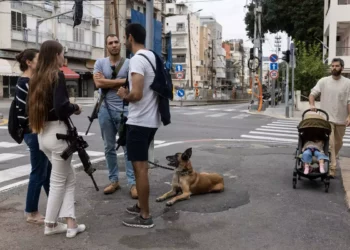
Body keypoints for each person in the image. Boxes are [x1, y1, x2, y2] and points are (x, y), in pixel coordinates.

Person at [28, 40, 85, 238]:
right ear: (55, 56)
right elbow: (61, 108)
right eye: (62, 53)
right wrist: (75, 108)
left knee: (69, 178)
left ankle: (71, 223)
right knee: (59, 182)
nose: (64, 57)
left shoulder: (36, 77)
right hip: (59, 135)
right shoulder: (56, 75)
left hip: (43, 135)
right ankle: (50, 224)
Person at [117, 23, 160, 229]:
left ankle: (145, 215)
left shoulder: (136, 60)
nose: (125, 41)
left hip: (139, 121)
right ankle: (140, 204)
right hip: (151, 120)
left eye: (125, 38)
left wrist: (125, 95)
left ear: (130, 38)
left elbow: (137, 93)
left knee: (140, 169)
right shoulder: (151, 56)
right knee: (142, 167)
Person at [93, 34, 137, 198]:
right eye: (110, 42)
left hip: (125, 110)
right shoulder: (99, 63)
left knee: (128, 148)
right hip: (104, 109)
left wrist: (109, 81)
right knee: (108, 147)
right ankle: (114, 181)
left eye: (116, 42)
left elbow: (132, 83)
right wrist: (121, 81)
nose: (114, 45)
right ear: (106, 46)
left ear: (121, 44)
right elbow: (98, 83)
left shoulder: (129, 63)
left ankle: (132, 183)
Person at [15, 48, 52, 224]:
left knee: (47, 170)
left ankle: (54, 202)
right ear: (29, 62)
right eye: (38, 59)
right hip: (33, 132)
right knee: (39, 172)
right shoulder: (25, 83)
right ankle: (31, 211)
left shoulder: (31, 81)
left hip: (37, 130)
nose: (41, 62)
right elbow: (22, 114)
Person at [309, 58, 350, 178]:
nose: (334, 68)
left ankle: (330, 157)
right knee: (331, 144)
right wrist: (312, 104)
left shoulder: (347, 83)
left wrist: (349, 116)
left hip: (341, 120)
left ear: (342, 68)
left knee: (338, 143)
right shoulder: (324, 81)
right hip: (326, 119)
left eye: (337, 66)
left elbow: (349, 101)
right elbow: (312, 93)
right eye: (332, 66)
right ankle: (332, 169)